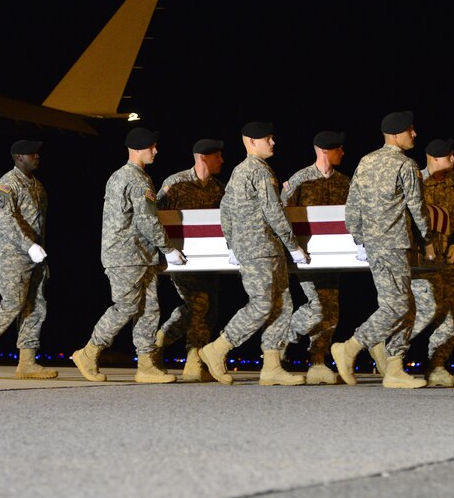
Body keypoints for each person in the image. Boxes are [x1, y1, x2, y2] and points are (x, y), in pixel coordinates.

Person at [198, 121, 310, 386]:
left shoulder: (239, 172)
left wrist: (232, 244)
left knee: (282, 306)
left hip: (259, 249)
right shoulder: (259, 171)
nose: (273, 143)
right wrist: (293, 245)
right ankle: (218, 348)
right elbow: (274, 211)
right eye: (267, 139)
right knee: (262, 304)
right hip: (261, 249)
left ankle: (272, 367)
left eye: (272, 138)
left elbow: (225, 210)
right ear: (251, 142)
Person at [71, 127, 187, 383]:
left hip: (138, 254)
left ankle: (146, 365)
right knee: (127, 306)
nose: (156, 151)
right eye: (151, 147)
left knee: (149, 308)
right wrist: (169, 248)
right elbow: (147, 220)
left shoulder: (121, 176)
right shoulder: (136, 179)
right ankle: (89, 353)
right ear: (136, 149)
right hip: (126, 255)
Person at [331, 111, 435, 389]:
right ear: (396, 134)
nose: (414, 134)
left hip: (376, 246)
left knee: (406, 306)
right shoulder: (406, 164)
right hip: (394, 244)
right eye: (410, 130)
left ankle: (395, 368)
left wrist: (360, 239)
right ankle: (351, 347)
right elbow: (418, 208)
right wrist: (428, 241)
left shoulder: (366, 162)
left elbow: (351, 207)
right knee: (398, 305)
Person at [0, 140, 57, 379]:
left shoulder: (38, 186)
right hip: (12, 253)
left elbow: (39, 225)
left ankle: (27, 362)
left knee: (35, 305)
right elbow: (5, 220)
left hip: (36, 256)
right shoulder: (7, 184)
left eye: (37, 152)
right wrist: (29, 246)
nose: (36, 156)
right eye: (30, 153)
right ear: (17, 157)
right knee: (13, 302)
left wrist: (40, 255)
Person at [153, 138, 226, 382]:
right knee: (200, 302)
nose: (222, 160)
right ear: (203, 158)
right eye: (217, 156)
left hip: (210, 260)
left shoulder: (218, 189)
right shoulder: (175, 184)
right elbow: (156, 218)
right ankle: (193, 359)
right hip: (182, 259)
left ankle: (160, 341)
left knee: (208, 308)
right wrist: (163, 254)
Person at [280, 130, 350, 385]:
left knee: (331, 309)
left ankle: (318, 361)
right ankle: (285, 336)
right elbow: (282, 215)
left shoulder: (344, 183)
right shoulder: (300, 180)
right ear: (323, 150)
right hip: (306, 256)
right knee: (318, 305)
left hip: (336, 256)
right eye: (337, 149)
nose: (342, 152)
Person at [409, 138, 454, 386]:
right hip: (419, 261)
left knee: (450, 312)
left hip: (450, 260)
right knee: (426, 309)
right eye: (449, 156)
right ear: (434, 158)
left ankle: (437, 366)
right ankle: (390, 353)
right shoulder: (414, 181)